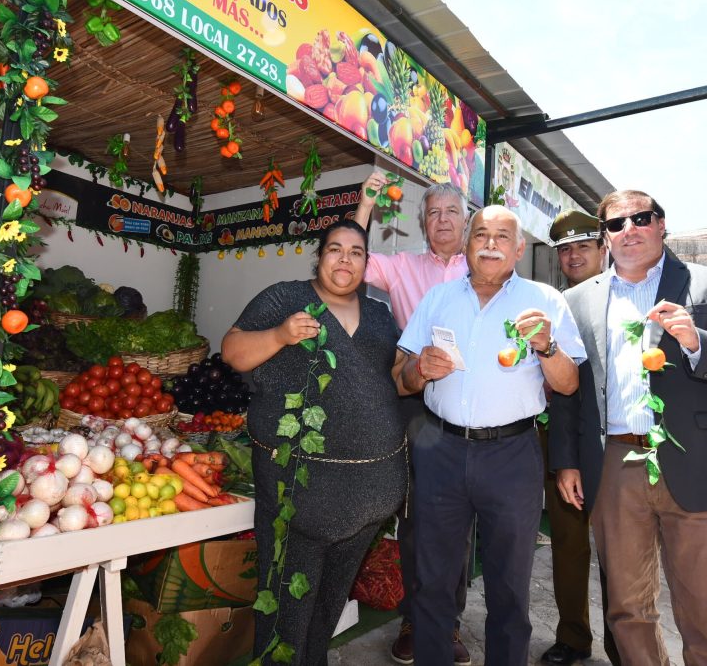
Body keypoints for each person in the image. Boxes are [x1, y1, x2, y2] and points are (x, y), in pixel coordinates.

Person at [550, 189, 707, 666]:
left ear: (661, 224)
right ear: (605, 237)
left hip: (698, 464)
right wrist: (566, 461)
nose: (629, 230)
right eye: (616, 224)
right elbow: (571, 389)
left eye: (640, 218)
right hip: (614, 467)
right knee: (627, 607)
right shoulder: (577, 300)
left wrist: (695, 341)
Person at [398, 205, 585, 666]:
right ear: (466, 244)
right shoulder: (438, 299)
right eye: (481, 234)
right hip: (440, 451)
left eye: (503, 236)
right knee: (433, 580)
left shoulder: (545, 301)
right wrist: (419, 369)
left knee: (509, 586)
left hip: (512, 454)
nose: (491, 244)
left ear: (519, 249)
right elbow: (399, 378)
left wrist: (548, 345)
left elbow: (567, 384)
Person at [221, 219, 411, 665]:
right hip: (301, 493)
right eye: (335, 249)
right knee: (287, 606)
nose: (345, 259)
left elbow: (394, 383)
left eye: (356, 252)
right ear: (319, 255)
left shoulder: (381, 316)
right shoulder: (286, 298)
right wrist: (280, 335)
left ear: (366, 263)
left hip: (368, 497)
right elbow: (232, 350)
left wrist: (423, 372)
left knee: (328, 605)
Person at [355, 173, 472, 665]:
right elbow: (351, 259)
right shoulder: (402, 266)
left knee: (461, 520)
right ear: (422, 223)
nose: (442, 220)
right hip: (416, 401)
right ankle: (412, 618)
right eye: (433, 213)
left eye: (451, 212)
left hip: (472, 402)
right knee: (418, 517)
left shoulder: (484, 267)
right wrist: (364, 204)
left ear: (467, 222)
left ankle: (449, 625)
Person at [540, 209, 618, 666]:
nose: (572, 256)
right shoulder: (552, 302)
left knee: (618, 549)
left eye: (582, 246)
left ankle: (621, 640)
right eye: (564, 249)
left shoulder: (625, 295)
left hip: (613, 441)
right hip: (559, 436)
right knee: (569, 545)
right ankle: (573, 637)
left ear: (601, 248)